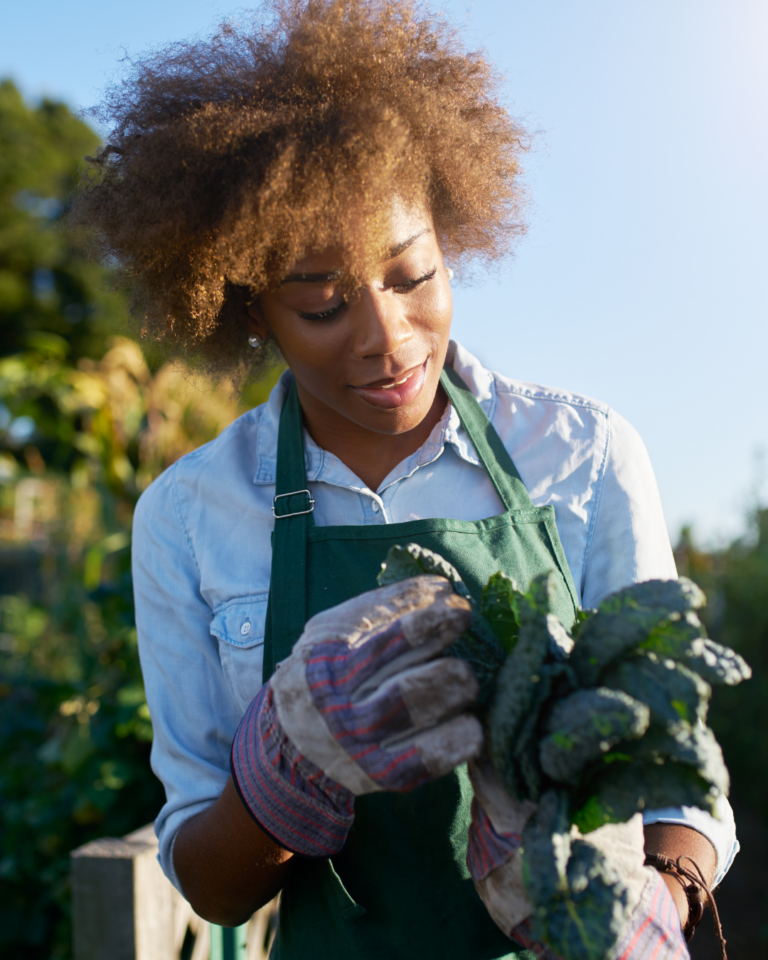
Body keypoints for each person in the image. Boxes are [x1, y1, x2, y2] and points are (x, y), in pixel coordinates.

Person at [72, 1, 737, 957]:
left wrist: (653, 905)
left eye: (412, 276)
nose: (387, 339)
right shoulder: (186, 516)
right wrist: (283, 773)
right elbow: (211, 888)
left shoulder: (585, 455)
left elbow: (678, 777)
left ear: (449, 242)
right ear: (252, 309)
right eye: (322, 305)